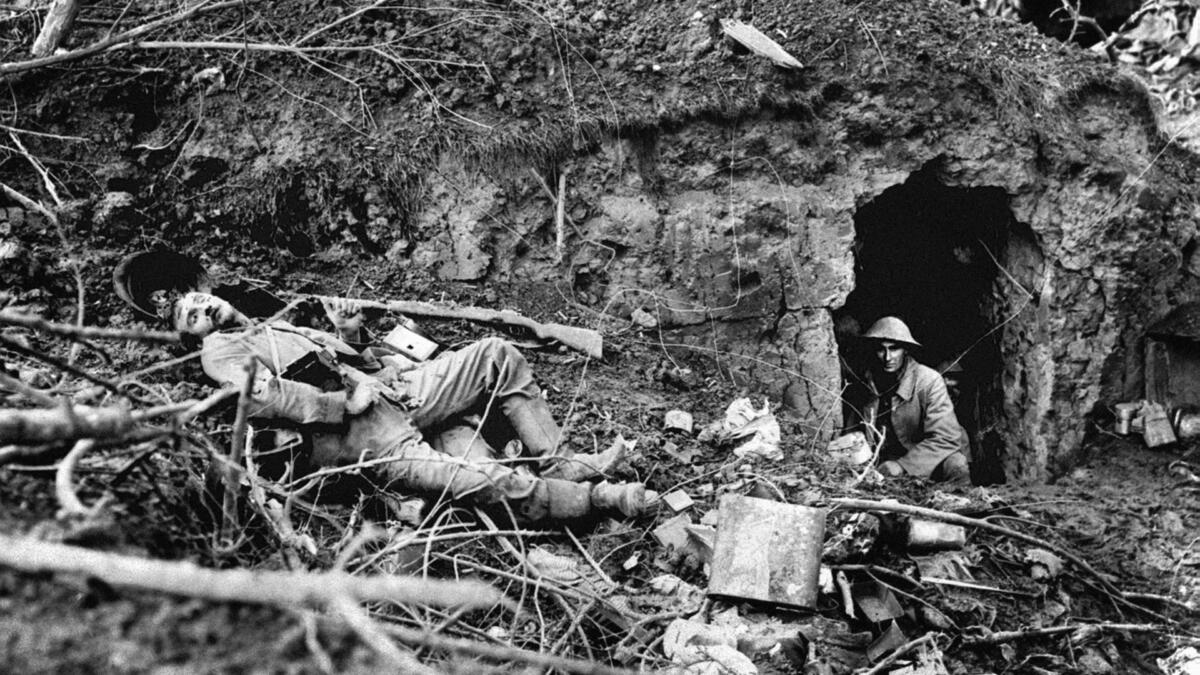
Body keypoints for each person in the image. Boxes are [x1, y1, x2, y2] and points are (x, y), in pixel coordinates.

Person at [133, 275, 658, 522]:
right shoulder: (218, 353)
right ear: (192, 336)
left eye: (200, 300)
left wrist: (351, 333)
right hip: (361, 437)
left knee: (497, 353)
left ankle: (562, 463)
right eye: (192, 316)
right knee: (477, 479)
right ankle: (595, 501)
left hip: (397, 392)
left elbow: (350, 363)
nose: (204, 309)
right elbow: (269, 397)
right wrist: (345, 406)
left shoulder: (275, 323)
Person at [845, 316, 971, 484]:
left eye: (894, 348)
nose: (888, 357)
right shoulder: (867, 381)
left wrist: (903, 466)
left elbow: (946, 437)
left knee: (956, 464)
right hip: (884, 461)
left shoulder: (928, 380)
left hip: (924, 460)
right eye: (881, 349)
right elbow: (852, 431)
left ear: (906, 349)